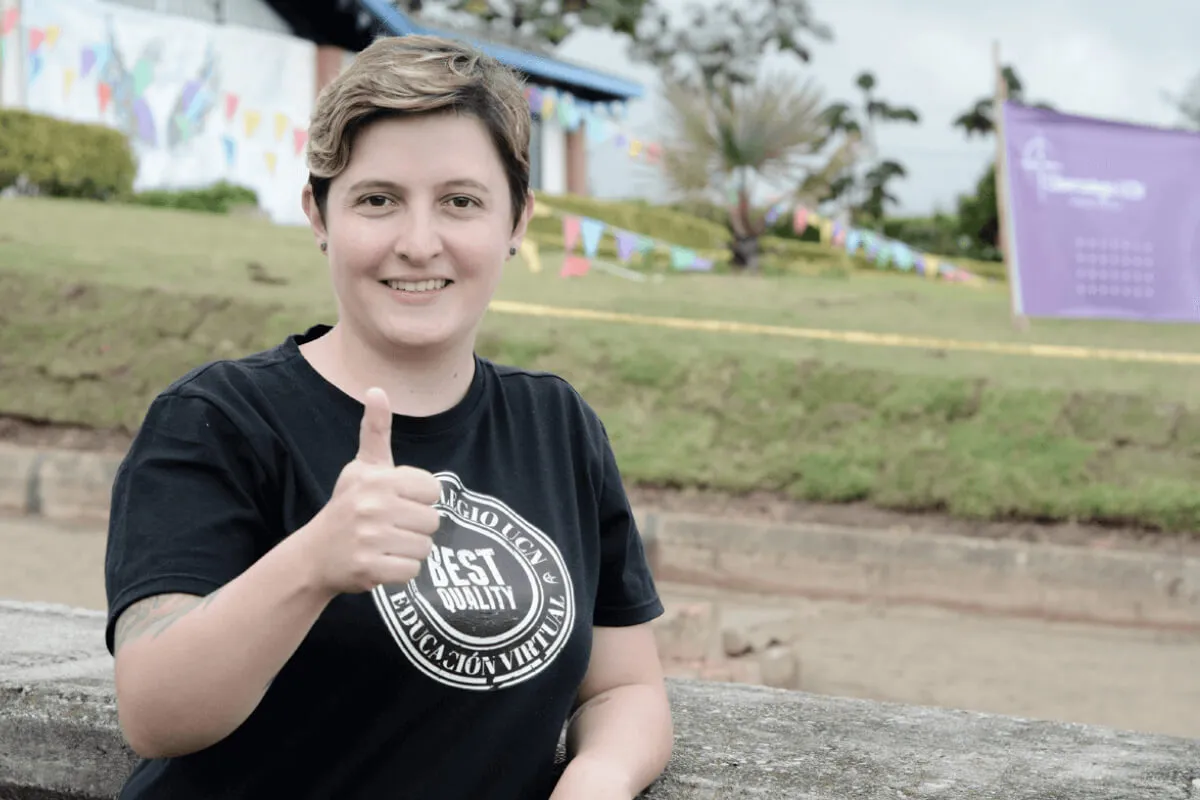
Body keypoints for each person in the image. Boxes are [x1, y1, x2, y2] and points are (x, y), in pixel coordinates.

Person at [103, 33, 673, 799]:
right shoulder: (217, 420)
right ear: (319, 214)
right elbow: (154, 712)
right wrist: (312, 565)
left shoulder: (558, 425)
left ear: (516, 222)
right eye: (377, 200)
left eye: (461, 202)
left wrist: (596, 780)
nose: (418, 242)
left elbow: (624, 687)